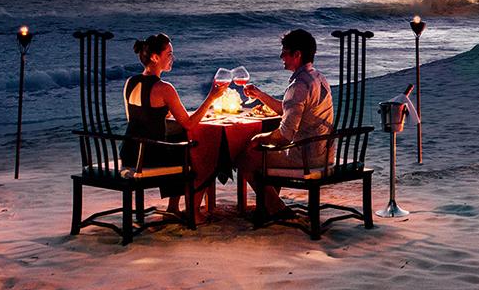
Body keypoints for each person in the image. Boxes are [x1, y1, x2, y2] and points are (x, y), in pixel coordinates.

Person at [124, 33, 228, 220]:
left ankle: (173, 209)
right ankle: (193, 213)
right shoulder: (164, 88)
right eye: (169, 54)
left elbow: (139, 117)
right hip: (148, 157)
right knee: (199, 154)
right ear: (155, 57)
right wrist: (211, 98)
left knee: (176, 141)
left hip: (129, 152)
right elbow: (189, 124)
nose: (173, 58)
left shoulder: (130, 82)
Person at [238, 28, 334, 221]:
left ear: (297, 55)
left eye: (284, 52)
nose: (281, 56)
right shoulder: (317, 77)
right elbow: (289, 111)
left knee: (245, 158)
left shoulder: (298, 85)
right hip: (325, 153)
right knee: (265, 152)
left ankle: (276, 209)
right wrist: (260, 95)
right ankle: (268, 207)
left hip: (306, 157)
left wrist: (258, 138)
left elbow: (285, 135)